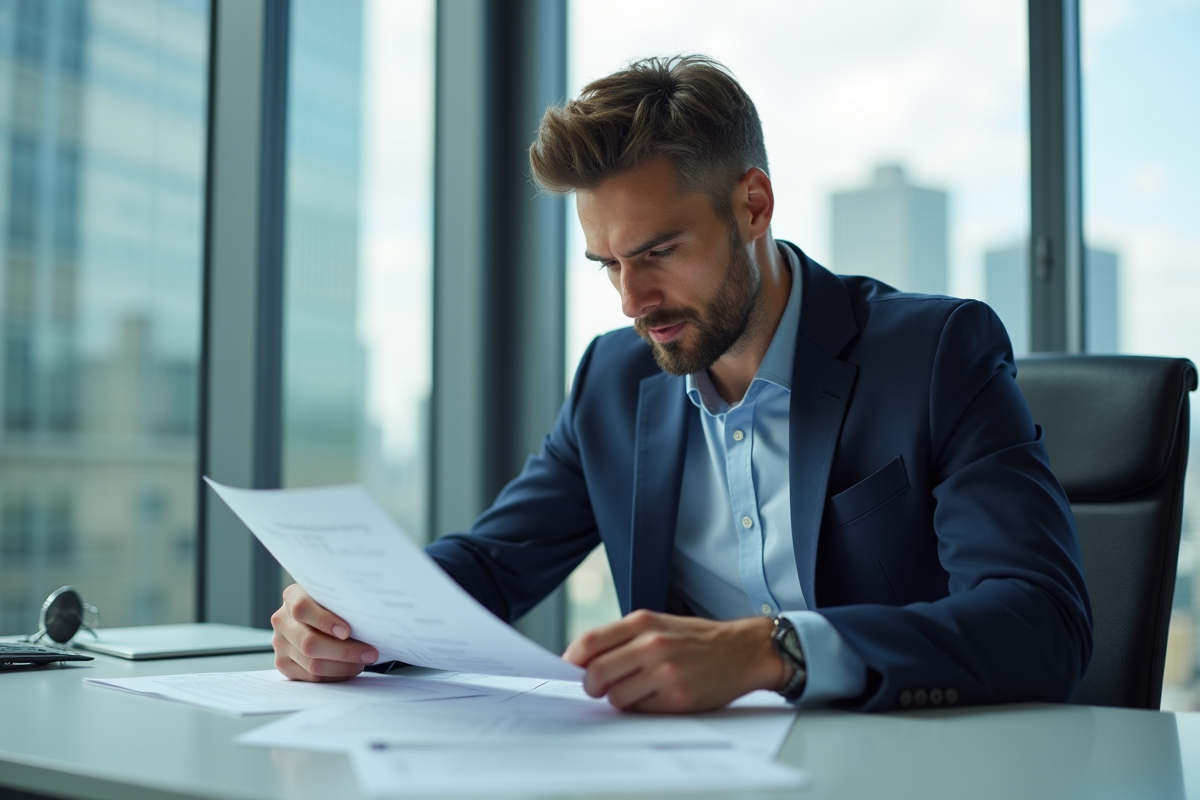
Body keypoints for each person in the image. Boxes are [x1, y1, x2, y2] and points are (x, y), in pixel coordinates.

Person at [270, 55, 1092, 713]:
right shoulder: (613, 378)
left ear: (753, 205)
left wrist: (775, 650)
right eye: (609, 265)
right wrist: (354, 617)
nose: (632, 302)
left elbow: (1039, 621)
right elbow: (493, 563)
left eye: (659, 252)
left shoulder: (935, 352)